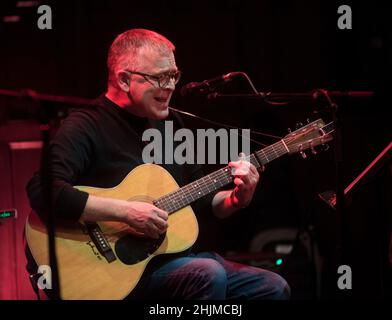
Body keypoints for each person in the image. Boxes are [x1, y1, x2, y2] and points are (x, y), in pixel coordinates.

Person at [26, 28, 290, 300]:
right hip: (114, 273)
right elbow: (44, 191)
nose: (171, 86)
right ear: (124, 80)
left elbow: (202, 201)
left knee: (271, 288)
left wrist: (236, 198)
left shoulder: (172, 125)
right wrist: (126, 212)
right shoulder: (85, 125)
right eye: (159, 77)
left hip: (171, 261)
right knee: (208, 274)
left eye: (173, 75)